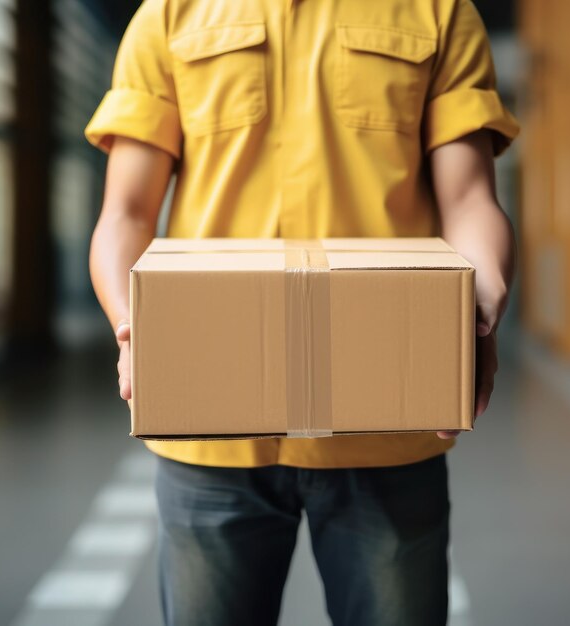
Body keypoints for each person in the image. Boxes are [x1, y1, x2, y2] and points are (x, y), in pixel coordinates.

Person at [86, 0, 520, 624]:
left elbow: (470, 195)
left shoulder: (438, 11)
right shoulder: (170, 14)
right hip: (209, 424)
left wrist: (477, 303)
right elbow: (125, 212)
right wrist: (134, 327)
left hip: (387, 419)